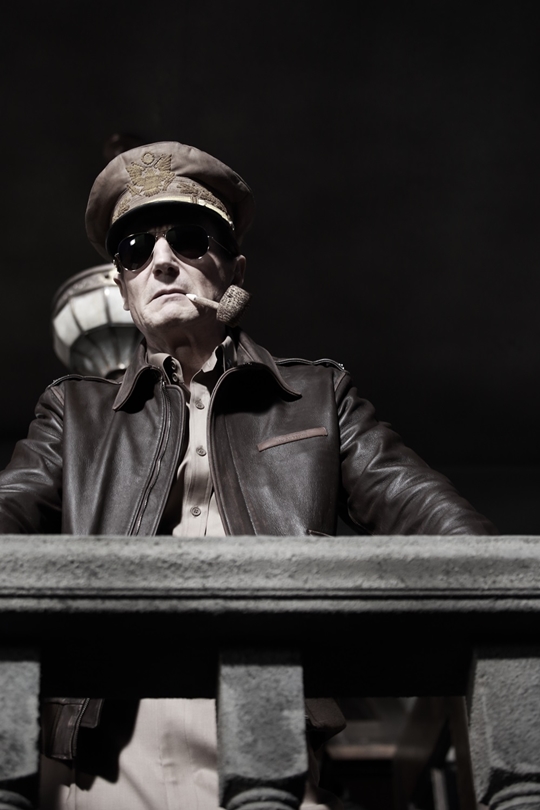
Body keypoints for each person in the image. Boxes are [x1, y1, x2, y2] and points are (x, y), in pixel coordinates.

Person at [0, 142, 496, 809]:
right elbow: (11, 507)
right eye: (135, 250)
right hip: (112, 751)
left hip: (275, 726)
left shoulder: (317, 397)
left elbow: (423, 510)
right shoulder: (75, 410)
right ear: (123, 288)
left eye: (188, 239)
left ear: (233, 270)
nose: (161, 261)